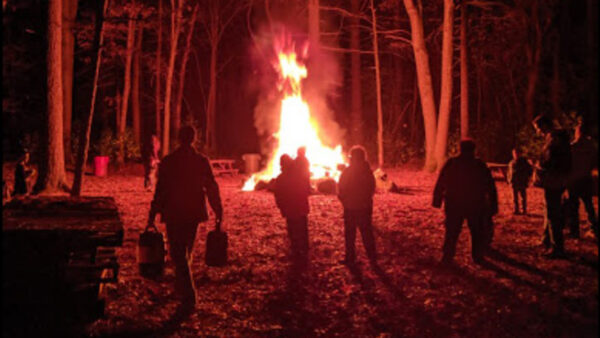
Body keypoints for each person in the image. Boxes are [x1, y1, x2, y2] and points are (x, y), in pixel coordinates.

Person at [147, 126, 223, 313]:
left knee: (180, 253)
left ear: (179, 139)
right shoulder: (201, 161)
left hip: (174, 212)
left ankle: (188, 295)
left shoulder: (169, 161)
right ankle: (183, 289)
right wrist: (218, 211)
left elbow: (161, 191)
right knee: (184, 252)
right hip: (192, 212)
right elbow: (211, 188)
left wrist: (153, 213)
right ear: (193, 139)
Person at [433, 139, 498, 265]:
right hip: (475, 203)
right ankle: (477, 255)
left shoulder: (452, 163)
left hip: (454, 203)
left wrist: (437, 200)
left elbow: (441, 182)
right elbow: (490, 186)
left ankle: (448, 256)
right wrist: (493, 205)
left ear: (460, 149)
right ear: (474, 150)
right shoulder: (479, 165)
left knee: (452, 231)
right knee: (476, 231)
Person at [532, 114, 571, 259]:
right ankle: (548, 240)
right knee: (551, 211)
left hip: (553, 180)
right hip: (557, 180)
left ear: (545, 126)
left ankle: (557, 248)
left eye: (538, 128)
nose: (538, 132)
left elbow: (550, 161)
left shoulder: (554, 140)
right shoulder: (559, 138)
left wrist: (539, 167)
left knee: (553, 213)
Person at [338, 145, 377, 266]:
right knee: (367, 233)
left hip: (351, 208)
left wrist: (344, 200)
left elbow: (341, 189)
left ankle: (350, 257)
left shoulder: (348, 172)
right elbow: (371, 189)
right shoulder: (368, 171)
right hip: (364, 207)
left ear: (353, 158)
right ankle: (372, 257)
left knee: (350, 234)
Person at [273, 154, 311, 266]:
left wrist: (282, 207)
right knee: (302, 230)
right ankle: (303, 252)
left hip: (290, 209)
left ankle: (297, 252)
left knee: (293, 230)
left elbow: (278, 196)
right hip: (300, 208)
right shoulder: (299, 175)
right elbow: (306, 189)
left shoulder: (281, 178)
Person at [566, 121, 598, 239]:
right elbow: (594, 161)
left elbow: (567, 163)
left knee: (574, 206)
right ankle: (594, 228)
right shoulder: (592, 146)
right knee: (588, 205)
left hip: (574, 180)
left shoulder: (572, 147)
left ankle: (574, 231)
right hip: (586, 178)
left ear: (578, 132)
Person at [507, 148, 533, 214]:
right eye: (514, 153)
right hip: (514, 182)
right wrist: (509, 180)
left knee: (523, 197)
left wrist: (527, 178)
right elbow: (509, 172)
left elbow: (530, 170)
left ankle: (524, 210)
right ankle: (516, 210)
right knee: (515, 198)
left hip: (522, 181)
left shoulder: (524, 162)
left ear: (520, 154)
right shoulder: (511, 163)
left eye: (516, 153)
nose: (515, 155)